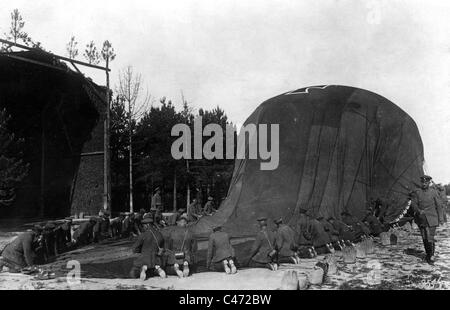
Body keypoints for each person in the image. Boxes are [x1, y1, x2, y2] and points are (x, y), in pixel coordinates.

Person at [410, 175, 443, 264]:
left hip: (432, 217)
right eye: (423, 182)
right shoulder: (417, 192)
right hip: (421, 218)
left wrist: (441, 218)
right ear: (421, 183)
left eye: (426, 182)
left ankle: (431, 255)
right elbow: (414, 204)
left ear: (429, 183)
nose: (424, 184)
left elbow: (439, 205)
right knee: (424, 237)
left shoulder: (434, 192)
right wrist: (418, 211)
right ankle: (428, 254)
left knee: (430, 237)